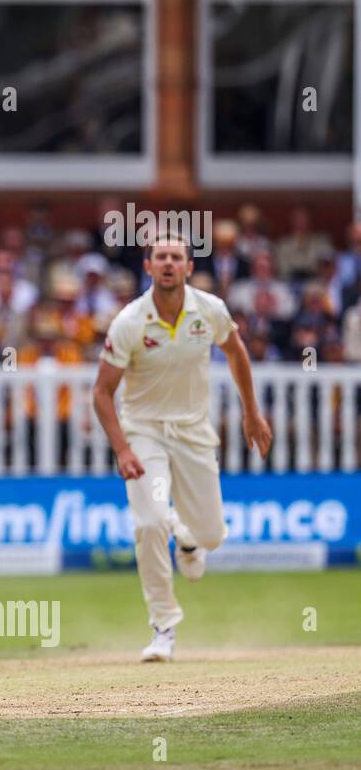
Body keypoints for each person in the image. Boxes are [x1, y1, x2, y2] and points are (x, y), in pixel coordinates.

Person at [92, 237, 272, 662]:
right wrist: (122, 449)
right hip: (144, 432)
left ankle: (188, 536)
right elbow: (101, 392)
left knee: (211, 534)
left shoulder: (209, 309)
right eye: (161, 258)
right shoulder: (130, 320)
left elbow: (237, 351)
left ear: (188, 267)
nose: (169, 264)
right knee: (150, 523)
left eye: (176, 257)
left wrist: (252, 413)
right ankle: (163, 627)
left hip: (193, 431)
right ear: (149, 266)